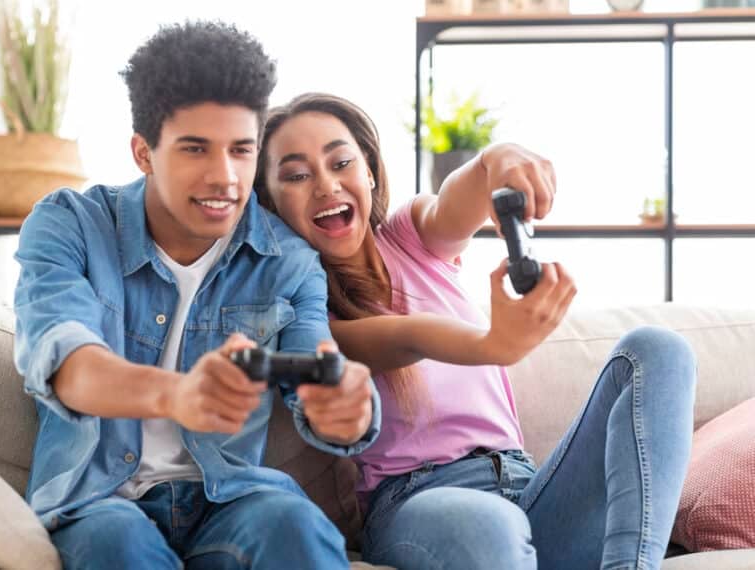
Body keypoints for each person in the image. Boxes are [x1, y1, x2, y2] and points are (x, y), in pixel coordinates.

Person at [254, 92, 697, 570]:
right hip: (418, 504)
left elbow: (456, 202)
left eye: (341, 162)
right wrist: (493, 345)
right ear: (271, 206)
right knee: (490, 525)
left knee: (656, 348)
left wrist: (496, 159)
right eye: (296, 175)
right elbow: (409, 336)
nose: (325, 185)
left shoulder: (410, 235)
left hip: (533, 491)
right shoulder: (304, 310)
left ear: (370, 173)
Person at [13, 27, 382, 570]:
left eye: (241, 150)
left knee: (297, 526)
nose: (225, 178)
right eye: (195, 149)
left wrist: (346, 413)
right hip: (100, 502)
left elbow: (316, 381)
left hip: (231, 499)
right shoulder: (69, 225)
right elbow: (69, 366)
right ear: (144, 152)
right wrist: (176, 395)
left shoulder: (289, 260)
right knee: (119, 545)